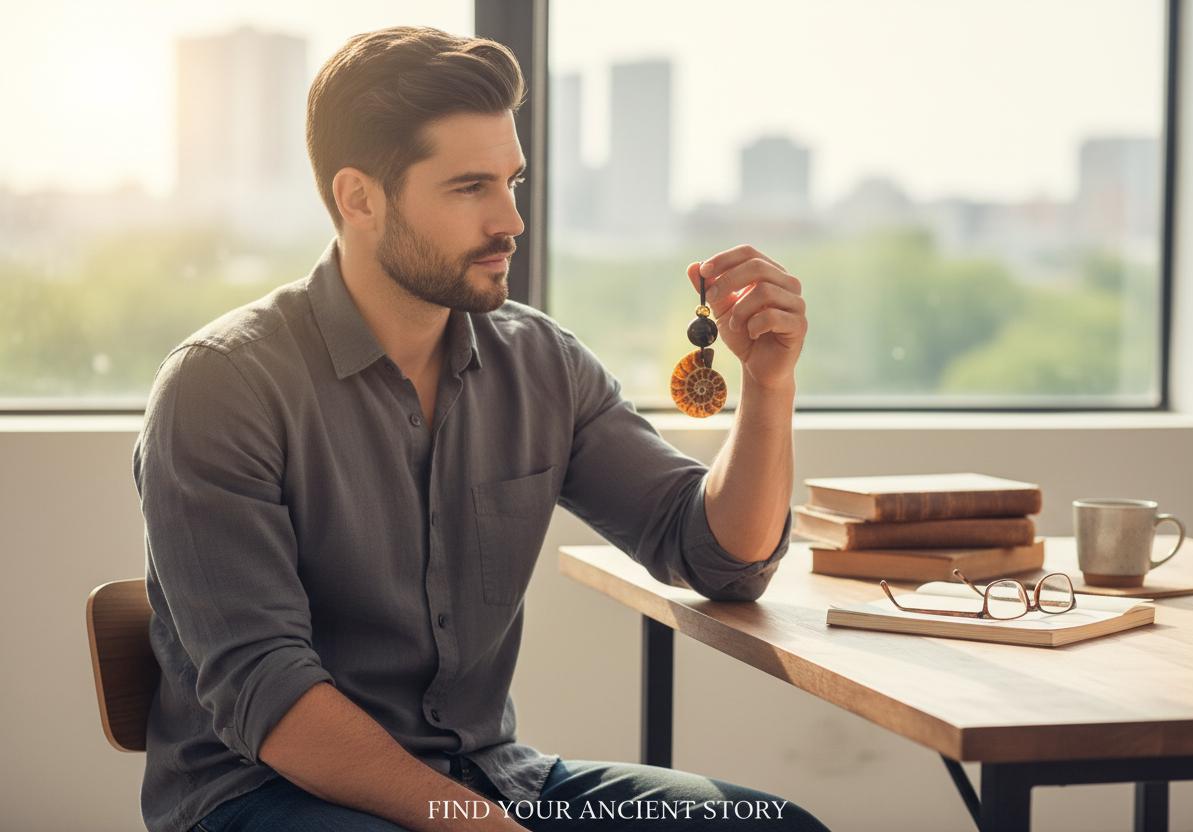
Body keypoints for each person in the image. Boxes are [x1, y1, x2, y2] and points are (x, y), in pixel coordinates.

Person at [134, 24, 823, 832]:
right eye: (469, 188)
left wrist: (768, 385)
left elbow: (715, 556)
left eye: (512, 182)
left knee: (775, 827)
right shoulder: (221, 385)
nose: (511, 220)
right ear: (359, 198)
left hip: (493, 777)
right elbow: (270, 694)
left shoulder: (541, 363)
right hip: (272, 796)